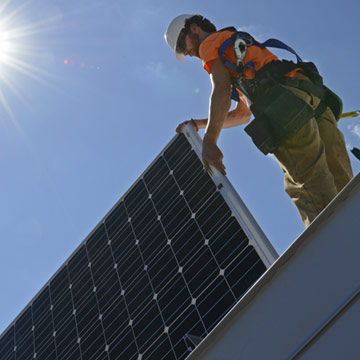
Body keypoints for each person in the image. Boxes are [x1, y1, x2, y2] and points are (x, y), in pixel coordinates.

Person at [164, 14, 353, 227]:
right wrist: (199, 124)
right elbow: (242, 114)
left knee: (309, 185)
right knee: (345, 185)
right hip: (313, 98)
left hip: (287, 108)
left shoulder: (209, 45)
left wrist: (209, 141)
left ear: (195, 29)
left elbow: (221, 92)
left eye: (182, 44)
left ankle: (339, 249)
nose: (187, 53)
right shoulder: (237, 51)